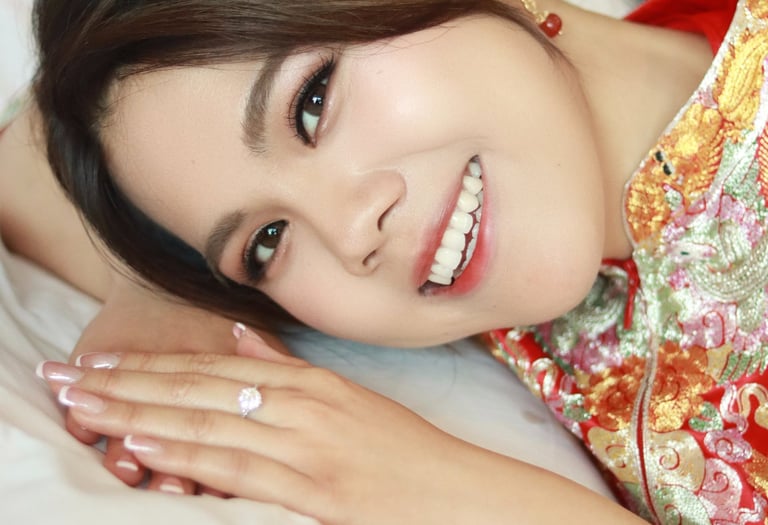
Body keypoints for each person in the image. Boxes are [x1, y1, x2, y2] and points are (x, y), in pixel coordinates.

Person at [25, 0, 768, 522]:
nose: (350, 234)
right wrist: (159, 287)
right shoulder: (486, 248)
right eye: (266, 241)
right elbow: (24, 161)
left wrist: (450, 491)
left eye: (312, 102)